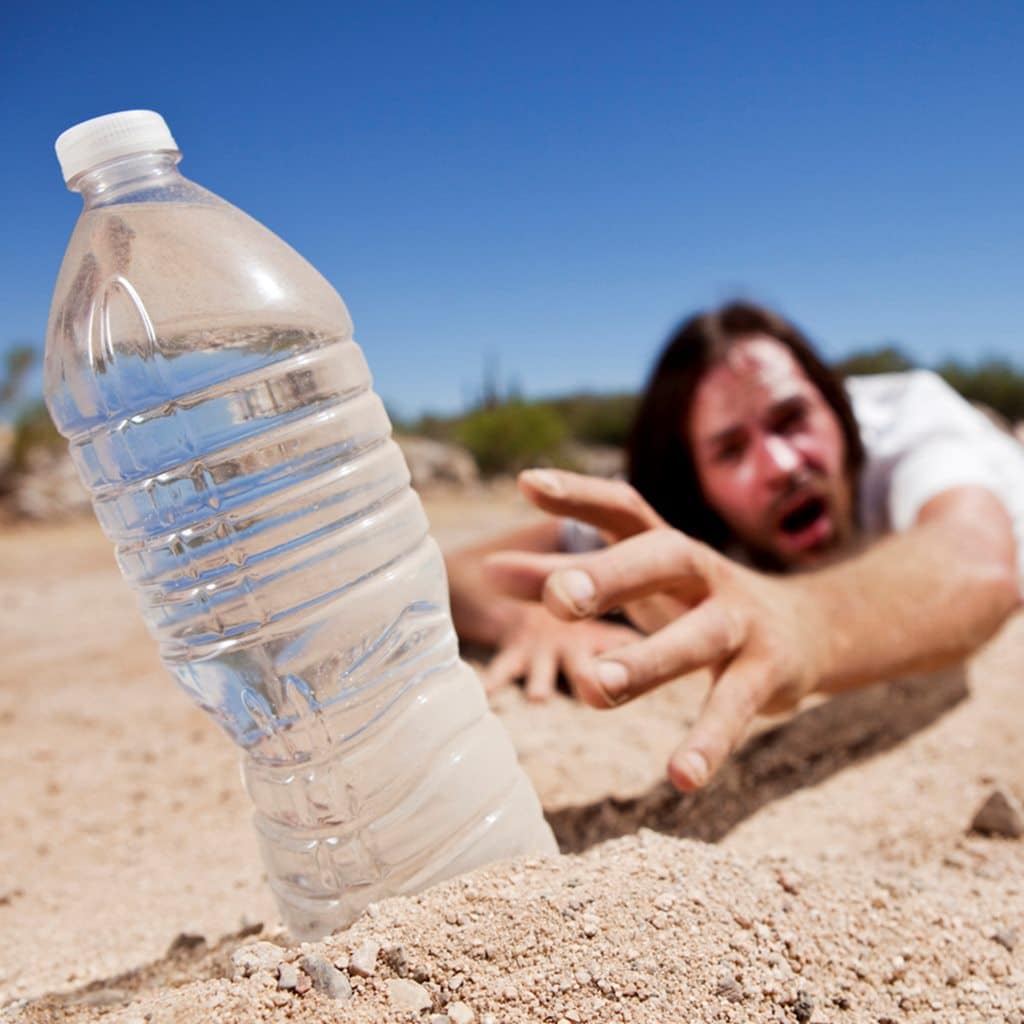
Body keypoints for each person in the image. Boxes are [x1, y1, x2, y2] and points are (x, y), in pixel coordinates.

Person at [446, 301, 1023, 792]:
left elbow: (977, 562)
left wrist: (799, 622)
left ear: (835, 405)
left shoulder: (908, 423)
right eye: (730, 450)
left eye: (791, 418)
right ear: (698, 485)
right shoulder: (673, 512)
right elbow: (456, 574)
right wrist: (532, 619)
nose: (781, 466)